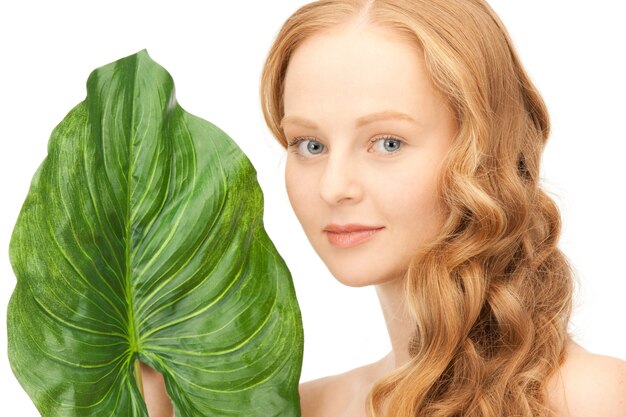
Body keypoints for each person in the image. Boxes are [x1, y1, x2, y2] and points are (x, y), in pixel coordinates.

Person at [143, 1, 626, 416]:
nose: (334, 187)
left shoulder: (595, 398)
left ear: (483, 152)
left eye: (387, 142)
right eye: (309, 145)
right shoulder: (301, 409)